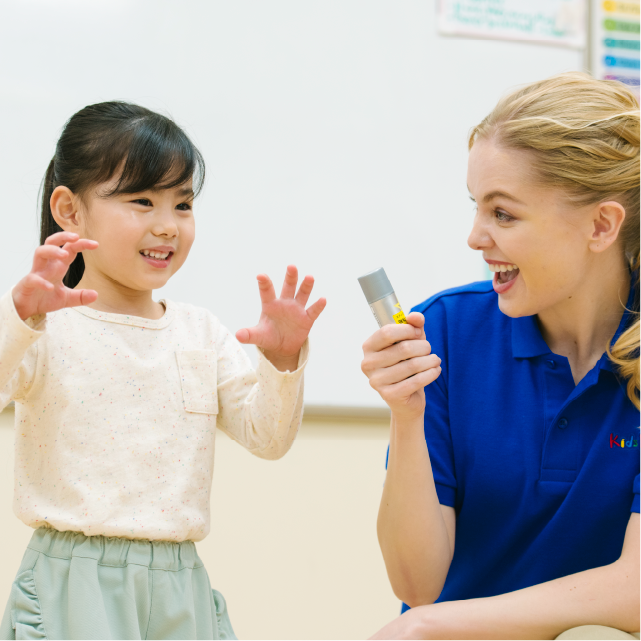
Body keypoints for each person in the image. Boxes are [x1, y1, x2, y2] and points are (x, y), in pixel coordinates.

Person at [0, 101, 325, 641]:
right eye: (142, 201)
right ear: (70, 210)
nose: (167, 226)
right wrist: (22, 318)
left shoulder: (201, 331)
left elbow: (268, 438)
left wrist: (282, 361)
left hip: (179, 581)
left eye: (183, 204)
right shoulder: (46, 326)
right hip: (73, 578)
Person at [360, 72, 641, 640]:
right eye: (476, 207)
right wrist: (406, 416)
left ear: (601, 225)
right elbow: (416, 585)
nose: (474, 237)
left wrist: (430, 626)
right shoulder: (443, 330)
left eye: (503, 214)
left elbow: (635, 592)